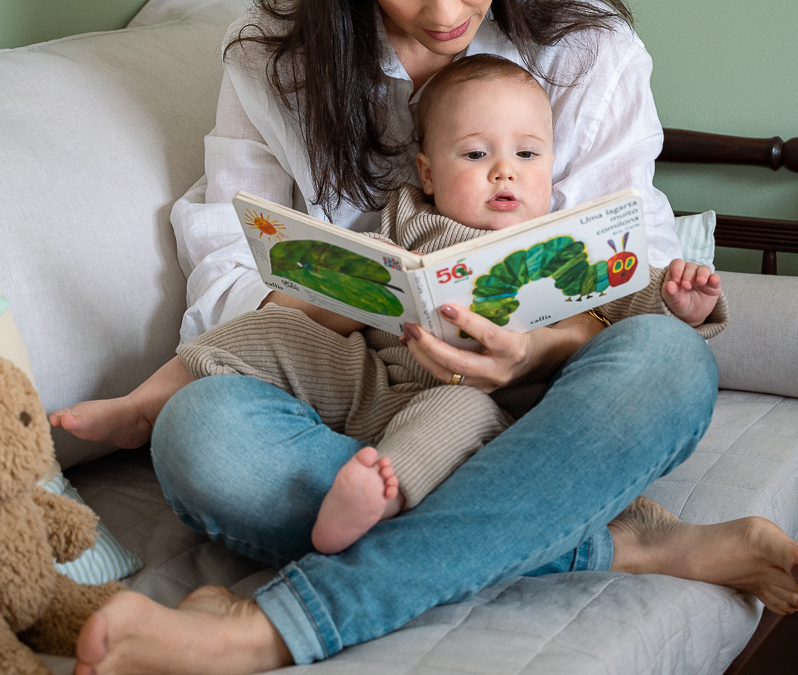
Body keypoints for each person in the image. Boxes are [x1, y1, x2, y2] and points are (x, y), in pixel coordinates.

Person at [53, 0, 798, 675]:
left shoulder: (590, 53)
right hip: (353, 390)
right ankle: (621, 537)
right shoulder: (277, 58)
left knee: (668, 365)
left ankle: (270, 629)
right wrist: (329, 298)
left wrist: (538, 345)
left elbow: (626, 269)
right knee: (202, 437)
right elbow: (224, 264)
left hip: (537, 410)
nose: (445, 12)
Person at [71, 54, 728, 557]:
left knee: (453, 414)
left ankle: (377, 492)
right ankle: (144, 406)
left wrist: (679, 300)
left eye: (527, 154)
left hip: (476, 400)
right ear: (427, 172)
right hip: (370, 374)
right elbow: (339, 291)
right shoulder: (408, 222)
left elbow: (628, 300)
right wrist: (347, 280)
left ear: (551, 167)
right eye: (476, 154)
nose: (505, 171)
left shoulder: (565, 243)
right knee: (277, 330)